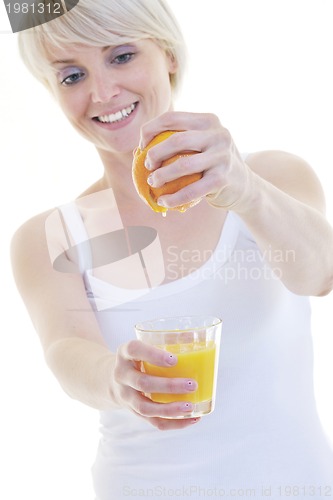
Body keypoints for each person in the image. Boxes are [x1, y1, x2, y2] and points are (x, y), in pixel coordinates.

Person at [11, 0, 333, 499]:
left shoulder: (273, 177)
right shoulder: (51, 235)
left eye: (121, 56)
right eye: (72, 75)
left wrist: (247, 190)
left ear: (168, 55)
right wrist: (116, 381)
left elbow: (318, 275)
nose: (102, 92)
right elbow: (65, 351)